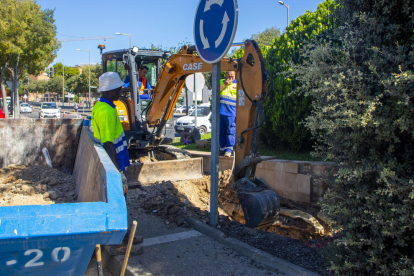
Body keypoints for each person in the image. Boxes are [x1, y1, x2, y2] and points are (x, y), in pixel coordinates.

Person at [91, 72, 143, 255]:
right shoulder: (105, 111)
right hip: (114, 165)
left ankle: (125, 234)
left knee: (122, 201)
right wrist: (117, 171)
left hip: (117, 162)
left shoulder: (106, 107)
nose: (122, 90)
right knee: (118, 203)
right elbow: (107, 142)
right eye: (119, 87)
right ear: (111, 89)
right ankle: (118, 244)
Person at [219, 71, 237, 157]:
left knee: (231, 130)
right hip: (221, 111)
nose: (230, 78)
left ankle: (229, 149)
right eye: (228, 76)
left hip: (231, 112)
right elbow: (215, 92)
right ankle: (222, 148)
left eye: (232, 76)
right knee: (221, 131)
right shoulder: (221, 81)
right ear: (225, 74)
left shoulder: (238, 84)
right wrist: (225, 84)